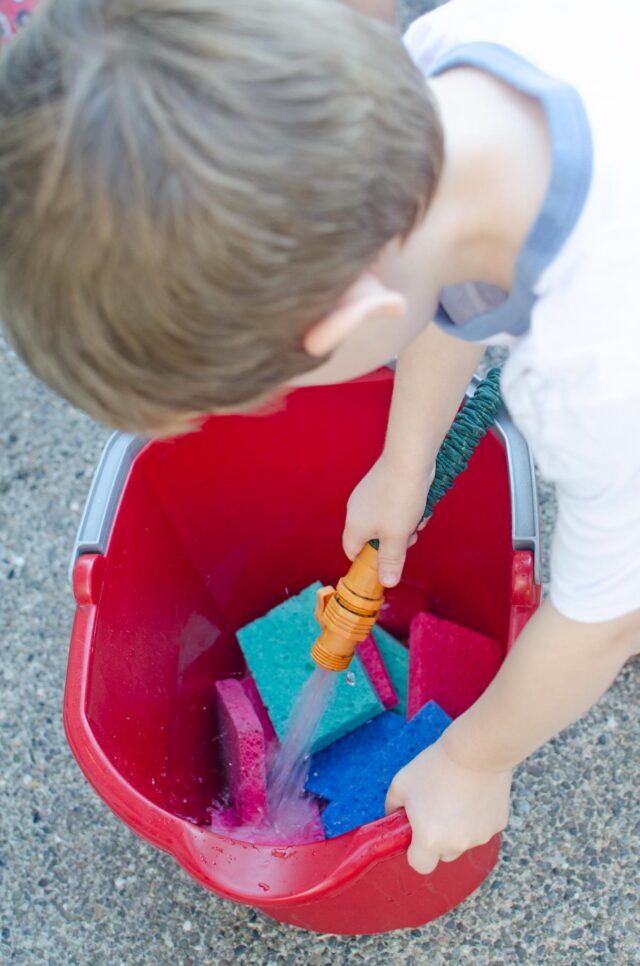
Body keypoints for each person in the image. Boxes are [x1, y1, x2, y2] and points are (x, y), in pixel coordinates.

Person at [0, 0, 638, 876]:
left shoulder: (595, 378)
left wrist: (472, 759)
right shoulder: (450, 70)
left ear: (347, 325)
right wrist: (406, 458)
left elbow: (605, 615)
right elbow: (437, 275)